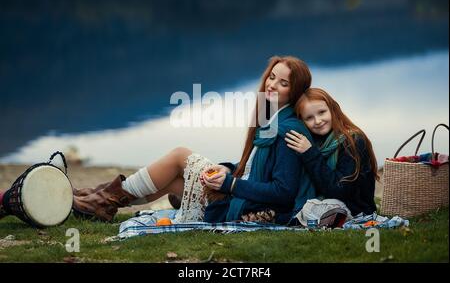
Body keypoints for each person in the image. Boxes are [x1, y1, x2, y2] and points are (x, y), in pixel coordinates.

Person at [72, 56, 316, 224]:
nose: (272, 84)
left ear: (294, 92)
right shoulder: (271, 120)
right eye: (272, 77)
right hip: (241, 196)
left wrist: (229, 184)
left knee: (180, 156)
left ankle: (101, 199)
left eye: (283, 83)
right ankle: (98, 200)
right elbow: (253, 169)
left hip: (246, 207)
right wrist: (228, 169)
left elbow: (283, 192)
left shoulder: (288, 132)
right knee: (172, 181)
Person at [284, 88, 378, 217]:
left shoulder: (353, 140)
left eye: (322, 112)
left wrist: (310, 153)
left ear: (332, 109)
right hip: (326, 204)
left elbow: (339, 191)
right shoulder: (312, 141)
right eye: (309, 118)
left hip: (355, 209)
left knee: (296, 215)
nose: (317, 121)